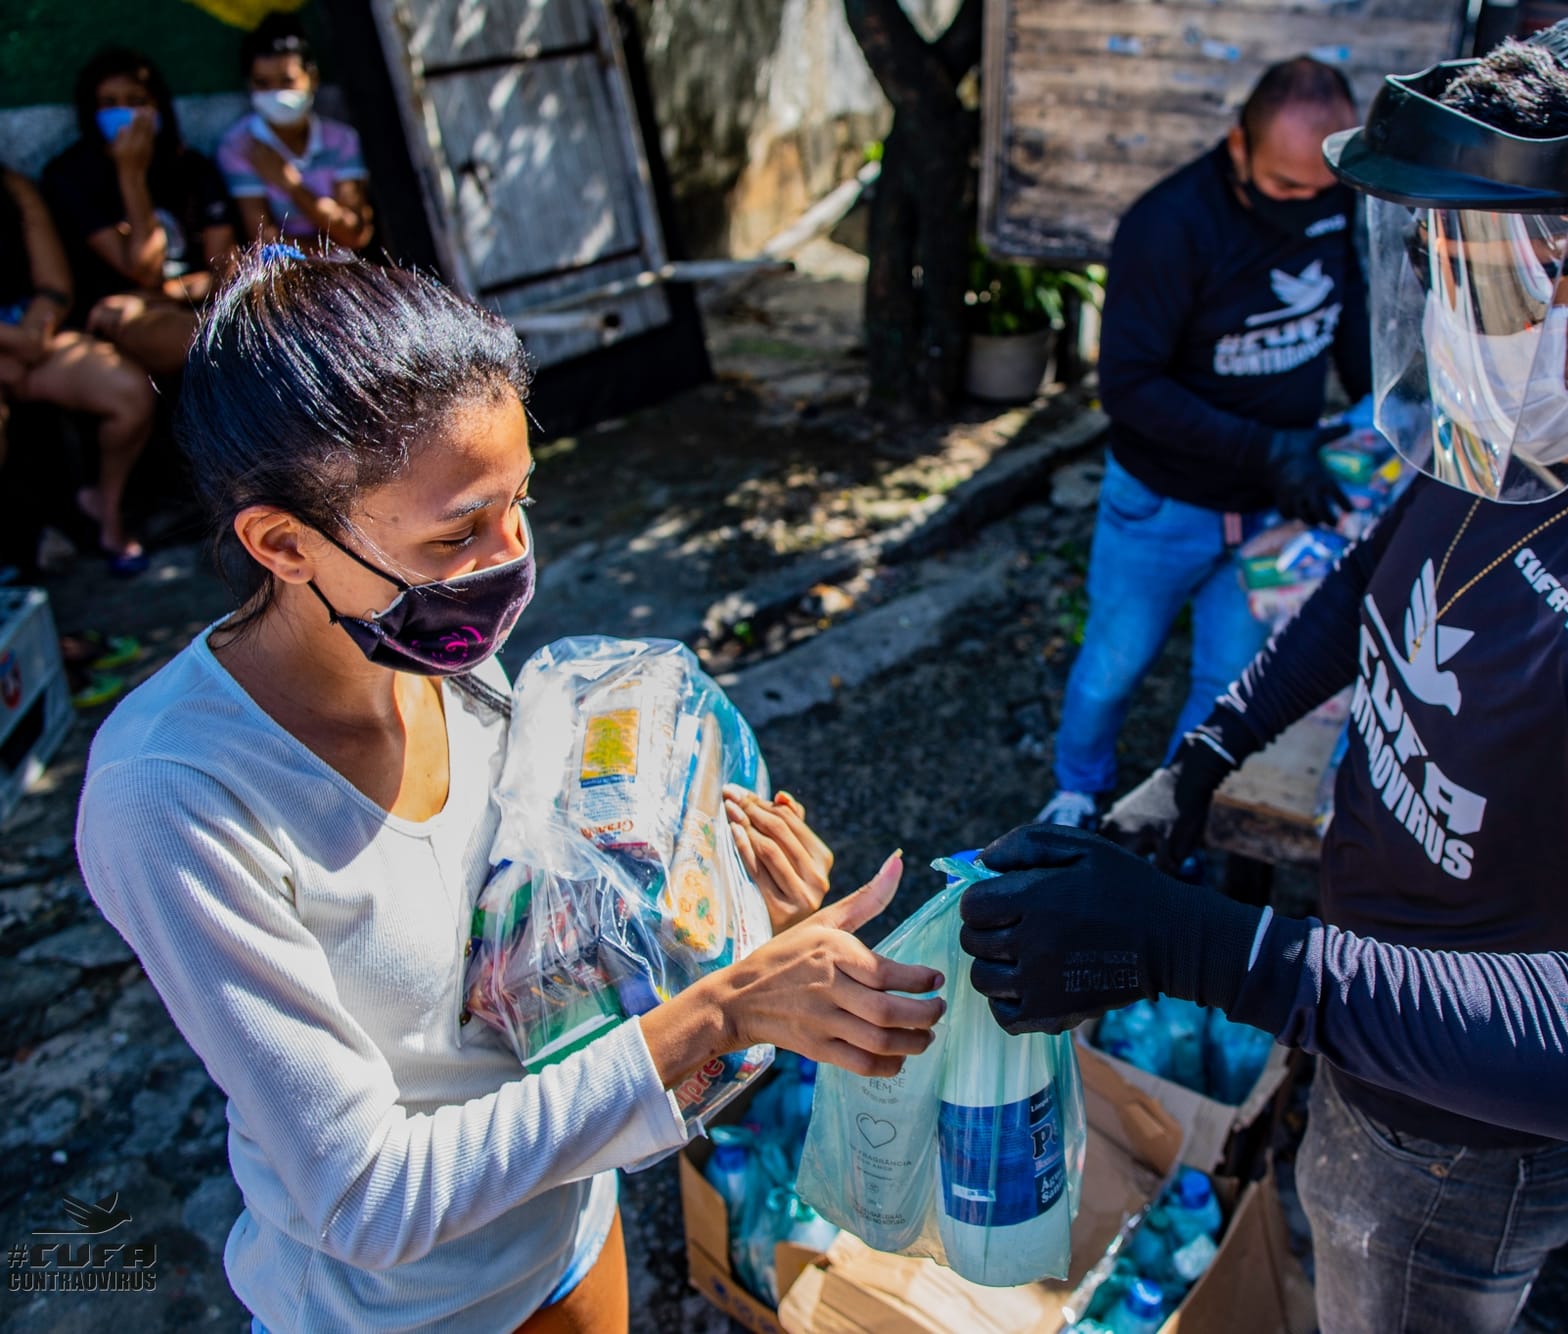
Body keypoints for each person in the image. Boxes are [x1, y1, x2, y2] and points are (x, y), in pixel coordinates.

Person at [958, 7, 1568, 1330]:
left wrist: (1229, 951)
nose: (1450, 320)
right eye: (1438, 262)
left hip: (1466, 1134)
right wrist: (1192, 768)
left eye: (1493, 280)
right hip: (1367, 1025)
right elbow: (1380, 581)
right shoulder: (1532, 419)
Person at [75, 249, 943, 1332]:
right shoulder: (174, 794)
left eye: (517, 503)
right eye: (456, 533)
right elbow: (363, 1194)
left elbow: (538, 959)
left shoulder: (442, 658)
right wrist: (721, 1008)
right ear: (282, 542)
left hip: (572, 1233)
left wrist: (722, 911)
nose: (511, 560)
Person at [1035, 56, 1370, 832]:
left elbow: (1348, 310)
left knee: (1230, 679)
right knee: (1111, 670)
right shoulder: (1169, 225)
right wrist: (1269, 449)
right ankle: (1077, 791)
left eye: (1323, 191)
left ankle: (1173, 812)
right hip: (1162, 504)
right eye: (1286, 188)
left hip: (1271, 510)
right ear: (1237, 145)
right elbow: (1129, 388)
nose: (1305, 209)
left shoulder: (1334, 197)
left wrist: (1376, 410)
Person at [40, 46, 236, 377]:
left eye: (136, 101)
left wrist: (160, 296)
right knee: (210, 342)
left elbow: (224, 270)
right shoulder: (69, 177)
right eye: (110, 104)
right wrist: (131, 175)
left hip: (179, 305)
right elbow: (144, 268)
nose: (125, 113)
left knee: (225, 333)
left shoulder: (194, 169)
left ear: (157, 106)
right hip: (124, 326)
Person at [0, 169, 156, 573]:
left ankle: (106, 512)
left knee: (128, 392)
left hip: (35, 342)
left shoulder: (12, 188)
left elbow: (54, 286)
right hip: (13, 347)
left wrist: (33, 333)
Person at [216, 17, 374, 250]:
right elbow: (264, 241)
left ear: (313, 79)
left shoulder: (343, 141)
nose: (276, 93)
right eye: (263, 83)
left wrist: (289, 183)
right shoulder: (238, 147)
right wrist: (332, 250)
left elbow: (355, 234)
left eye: (287, 81)